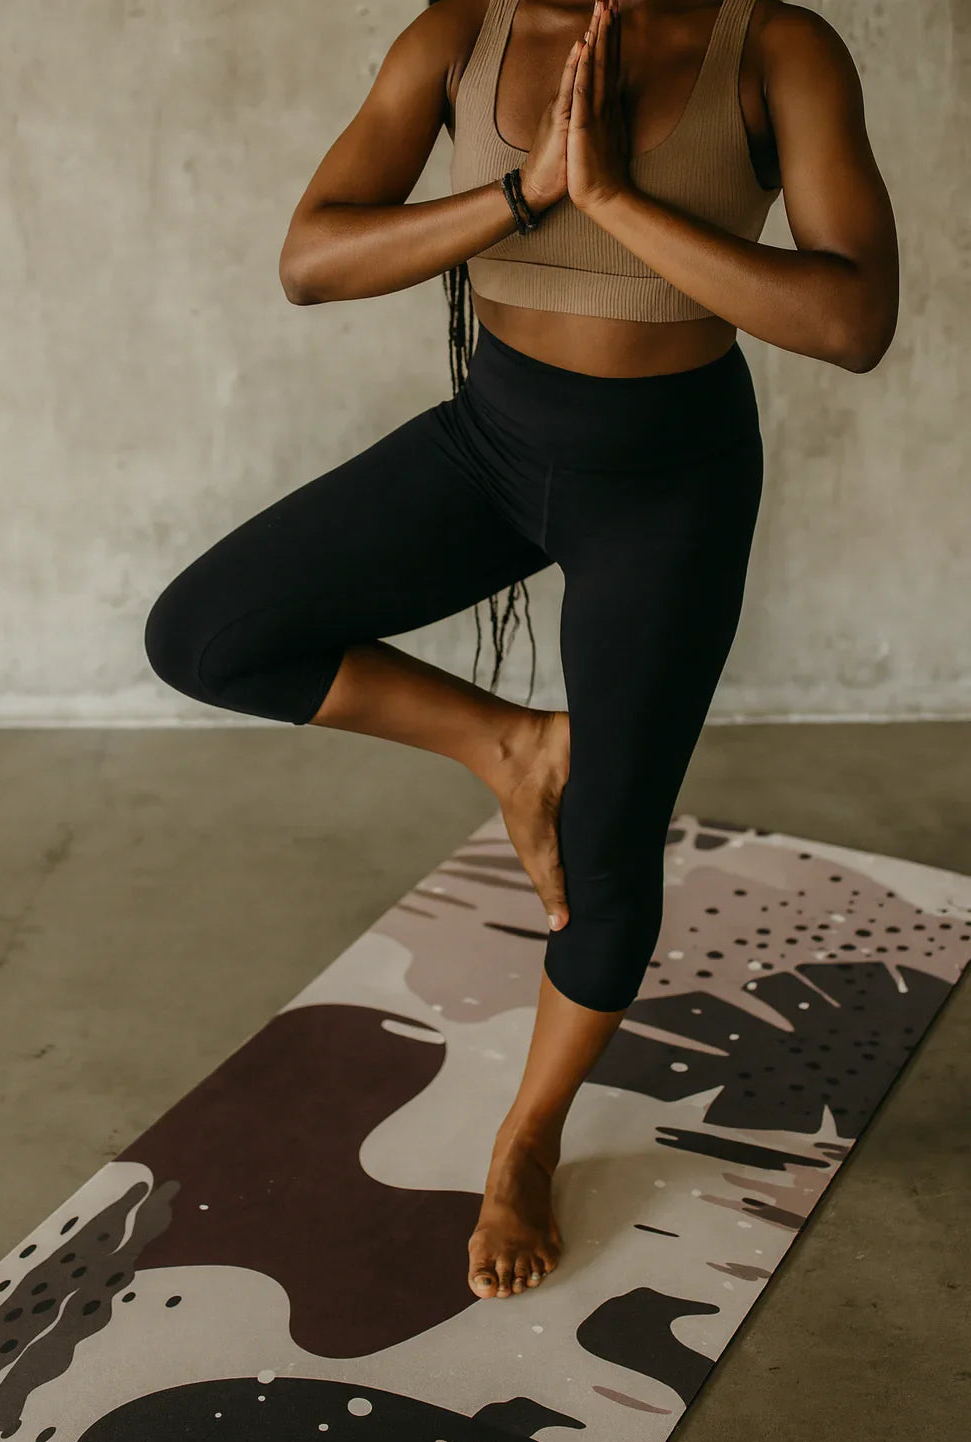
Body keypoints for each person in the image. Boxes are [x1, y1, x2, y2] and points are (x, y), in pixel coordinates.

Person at [143, 0, 899, 1301]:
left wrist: (612, 197)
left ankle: (528, 1136)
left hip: (672, 484)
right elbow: (313, 260)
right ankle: (508, 742)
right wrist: (525, 191)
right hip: (494, 444)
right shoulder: (459, 32)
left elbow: (850, 321)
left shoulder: (776, 46)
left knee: (607, 852)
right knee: (209, 634)